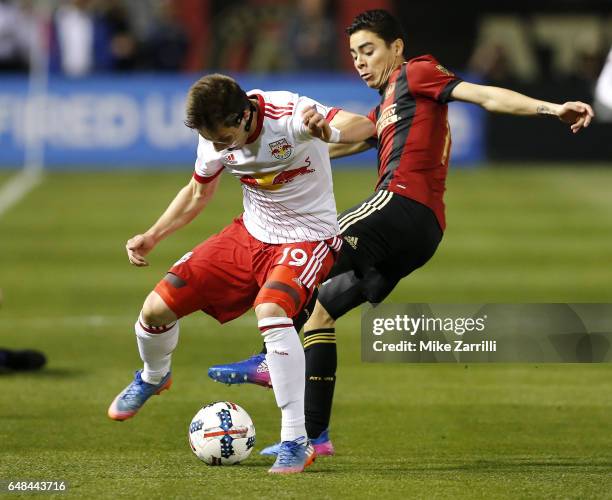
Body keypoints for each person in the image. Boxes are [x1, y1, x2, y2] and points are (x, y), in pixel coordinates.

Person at [207, 9, 595, 457]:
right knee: (320, 312)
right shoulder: (388, 103)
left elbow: (482, 94)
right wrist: (282, 162)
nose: (359, 61)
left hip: (402, 205)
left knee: (308, 249)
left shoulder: (417, 73)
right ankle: (314, 437)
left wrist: (552, 108)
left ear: (396, 48)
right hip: (419, 233)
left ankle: (268, 360)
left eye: (368, 50)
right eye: (354, 53)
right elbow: (349, 142)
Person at [106, 73, 374, 474]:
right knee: (156, 309)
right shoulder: (212, 133)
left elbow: (365, 127)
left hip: (307, 238)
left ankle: (295, 440)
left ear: (245, 115)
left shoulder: (289, 113)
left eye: (222, 138)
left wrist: (329, 129)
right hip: (249, 234)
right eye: (211, 139)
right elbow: (198, 193)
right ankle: (154, 375)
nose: (216, 146)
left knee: (272, 311)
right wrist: (153, 235)